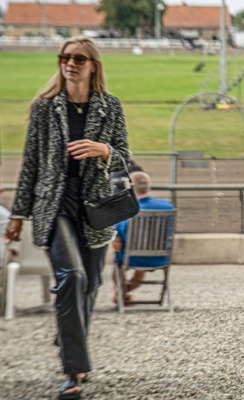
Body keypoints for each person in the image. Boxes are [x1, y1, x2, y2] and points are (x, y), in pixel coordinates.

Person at [4, 36, 129, 400]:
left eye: (77, 58)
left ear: (92, 65)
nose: (69, 63)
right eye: (64, 57)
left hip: (95, 208)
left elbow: (123, 155)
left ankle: (69, 332)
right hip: (53, 205)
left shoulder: (110, 106)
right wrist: (18, 214)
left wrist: (104, 150)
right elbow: (31, 165)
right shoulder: (44, 108)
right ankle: (72, 371)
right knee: (71, 276)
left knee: (89, 285)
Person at [112, 172, 174, 302]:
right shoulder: (167, 205)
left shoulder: (126, 210)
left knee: (117, 262)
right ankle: (123, 294)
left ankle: (121, 294)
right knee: (140, 269)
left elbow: (117, 246)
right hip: (160, 257)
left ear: (129, 188)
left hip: (132, 259)